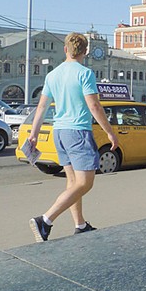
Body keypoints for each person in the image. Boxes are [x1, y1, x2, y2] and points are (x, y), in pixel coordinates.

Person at [27, 32, 119, 242]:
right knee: (85, 183)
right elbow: (94, 105)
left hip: (59, 132)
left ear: (65, 49)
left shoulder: (53, 74)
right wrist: (110, 132)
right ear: (85, 52)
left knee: (73, 182)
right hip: (78, 132)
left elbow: (41, 106)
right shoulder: (85, 73)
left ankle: (80, 224)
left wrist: (33, 134)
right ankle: (45, 220)